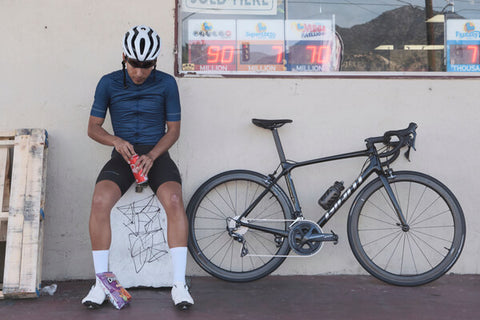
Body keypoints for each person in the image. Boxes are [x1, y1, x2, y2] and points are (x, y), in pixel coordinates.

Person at [82, 25, 193, 310]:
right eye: (134, 64)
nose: (140, 72)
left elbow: (173, 131)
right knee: (99, 201)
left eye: (147, 66)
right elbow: (93, 128)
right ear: (124, 57)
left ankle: (179, 285)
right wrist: (116, 141)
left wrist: (153, 155)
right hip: (123, 155)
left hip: (155, 155)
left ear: (155, 62)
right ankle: (101, 283)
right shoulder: (108, 83)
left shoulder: (167, 83)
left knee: (174, 200)